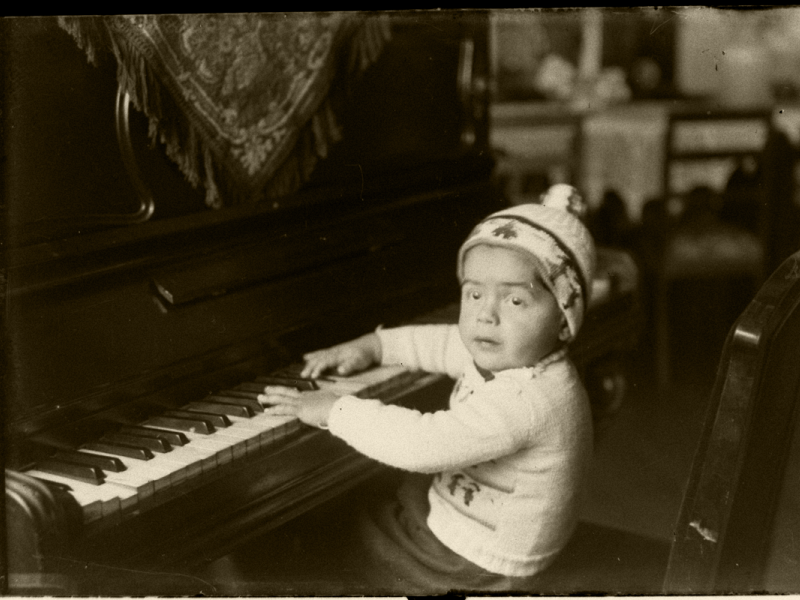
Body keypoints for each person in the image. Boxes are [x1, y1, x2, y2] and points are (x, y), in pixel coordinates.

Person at [258, 183, 597, 594]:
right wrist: (374, 346)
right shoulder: (512, 353)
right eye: (474, 294)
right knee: (362, 506)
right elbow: (437, 344)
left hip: (475, 561)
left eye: (514, 302)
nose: (485, 316)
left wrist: (335, 411)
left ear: (564, 321)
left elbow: (423, 445)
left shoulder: (530, 399)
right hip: (468, 521)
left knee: (335, 549)